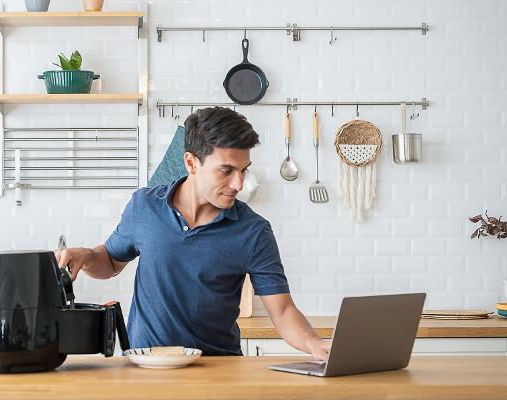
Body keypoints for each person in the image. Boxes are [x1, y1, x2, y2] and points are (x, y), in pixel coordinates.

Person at [55, 106, 330, 359]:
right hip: (146, 365)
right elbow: (112, 261)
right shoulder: (145, 207)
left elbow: (282, 310)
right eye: (226, 170)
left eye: (243, 170)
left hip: (219, 369)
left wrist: (314, 344)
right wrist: (88, 256)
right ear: (191, 163)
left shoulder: (253, 231)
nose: (238, 183)